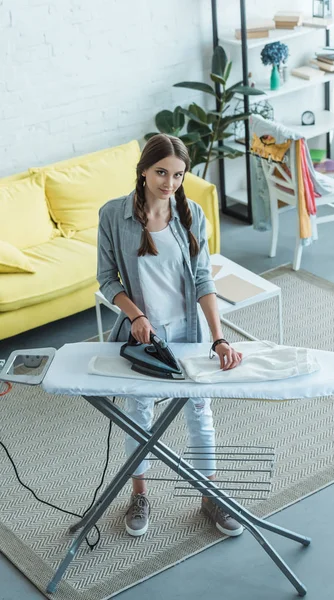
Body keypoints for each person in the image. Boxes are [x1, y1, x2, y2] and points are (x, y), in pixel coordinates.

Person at [97, 133, 243, 539]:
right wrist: (137, 315)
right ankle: (139, 494)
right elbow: (107, 279)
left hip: (187, 331)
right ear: (143, 170)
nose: (169, 183)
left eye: (178, 175)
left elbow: (202, 279)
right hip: (143, 336)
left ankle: (209, 494)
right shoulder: (113, 215)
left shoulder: (192, 214)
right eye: (161, 172)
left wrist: (219, 338)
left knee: (199, 411)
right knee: (138, 413)